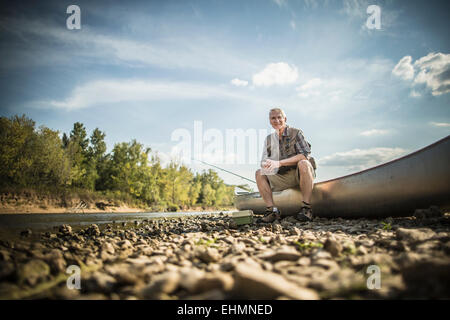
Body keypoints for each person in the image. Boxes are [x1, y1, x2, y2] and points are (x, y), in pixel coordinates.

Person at [255, 108, 316, 222]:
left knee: (304, 163)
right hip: (282, 177)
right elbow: (264, 160)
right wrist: (266, 164)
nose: (276, 120)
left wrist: (279, 163)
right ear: (270, 121)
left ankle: (306, 208)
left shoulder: (296, 133)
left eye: (279, 117)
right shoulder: (268, 139)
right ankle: (272, 211)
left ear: (285, 119)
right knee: (259, 172)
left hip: (300, 175)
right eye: (273, 118)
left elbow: (304, 155)